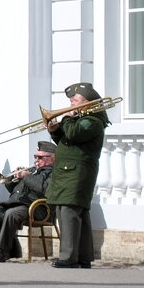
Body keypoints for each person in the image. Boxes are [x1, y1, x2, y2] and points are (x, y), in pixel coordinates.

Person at [46, 82, 109, 269]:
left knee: (69, 212)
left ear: (87, 103)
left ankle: (68, 257)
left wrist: (66, 119)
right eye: (71, 101)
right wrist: (55, 130)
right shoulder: (81, 120)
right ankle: (83, 256)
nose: (71, 103)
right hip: (68, 172)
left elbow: (73, 133)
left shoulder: (93, 121)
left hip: (78, 173)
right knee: (76, 212)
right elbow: (66, 141)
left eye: (75, 100)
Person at [0, 141, 55, 262]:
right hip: (19, 206)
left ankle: (1, 250)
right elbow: (15, 191)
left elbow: (44, 189)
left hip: (38, 209)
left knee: (11, 214)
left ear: (52, 159)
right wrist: (14, 179)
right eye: (35, 156)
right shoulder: (34, 171)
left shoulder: (54, 173)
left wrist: (27, 176)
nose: (37, 160)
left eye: (40, 157)